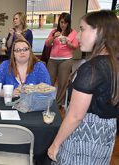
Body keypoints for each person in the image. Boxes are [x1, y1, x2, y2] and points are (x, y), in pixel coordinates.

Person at [48, 10, 119, 165]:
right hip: (106, 134)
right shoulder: (114, 63)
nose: (78, 35)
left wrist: (55, 144)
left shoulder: (92, 68)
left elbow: (75, 116)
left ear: (99, 31)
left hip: (84, 134)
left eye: (82, 29)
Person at [45, 12, 78, 106]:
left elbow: (75, 46)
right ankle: (46, 102)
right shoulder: (54, 31)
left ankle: (58, 104)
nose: (63, 24)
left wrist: (67, 42)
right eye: (61, 22)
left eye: (65, 23)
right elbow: (47, 44)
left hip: (66, 60)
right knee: (48, 81)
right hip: (52, 59)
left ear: (68, 23)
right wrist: (54, 37)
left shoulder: (73, 32)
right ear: (59, 22)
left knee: (62, 83)